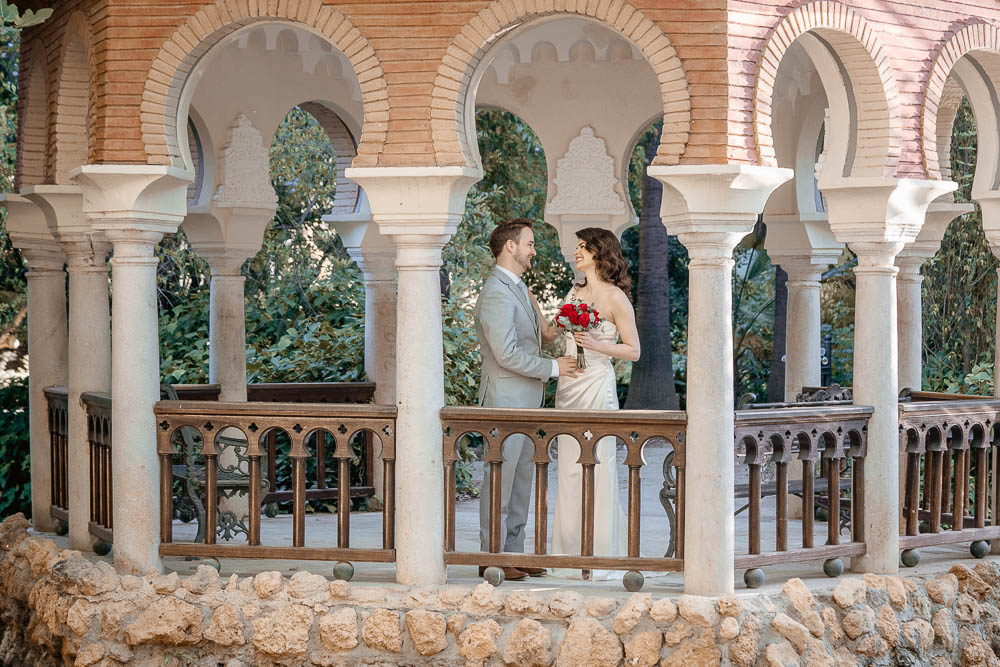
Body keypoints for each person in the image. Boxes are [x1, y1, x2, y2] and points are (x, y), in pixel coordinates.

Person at [531, 227, 640, 580]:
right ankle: (567, 554)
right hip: (569, 386)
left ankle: (599, 556)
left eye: (582, 247)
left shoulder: (614, 298)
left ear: (600, 252)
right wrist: (528, 298)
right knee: (569, 469)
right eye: (576, 246)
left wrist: (595, 344)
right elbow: (552, 334)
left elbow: (634, 351)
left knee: (599, 465)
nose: (576, 252)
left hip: (596, 386)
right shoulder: (574, 291)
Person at [474, 218, 578, 582]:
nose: (534, 250)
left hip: (525, 401)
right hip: (504, 400)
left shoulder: (517, 288)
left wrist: (572, 318)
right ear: (510, 247)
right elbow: (506, 354)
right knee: (499, 482)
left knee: (519, 483)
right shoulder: (497, 292)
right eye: (529, 243)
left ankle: (512, 554)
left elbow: (537, 338)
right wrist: (555, 368)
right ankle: (492, 557)